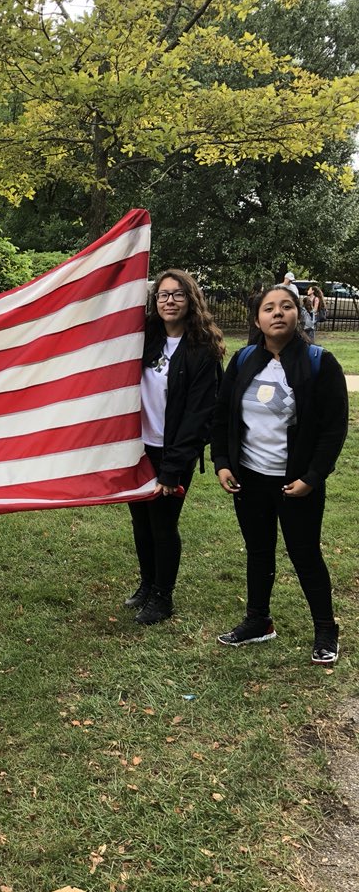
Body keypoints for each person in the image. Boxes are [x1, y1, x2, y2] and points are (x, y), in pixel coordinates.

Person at [211, 284, 348, 664]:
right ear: (257, 319)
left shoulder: (321, 363)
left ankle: (325, 629)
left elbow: (333, 428)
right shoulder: (243, 361)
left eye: (286, 306)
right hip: (250, 478)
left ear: (298, 315)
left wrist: (313, 476)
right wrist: (222, 461)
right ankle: (258, 621)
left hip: (296, 483)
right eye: (269, 308)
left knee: (305, 555)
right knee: (258, 552)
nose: (277, 313)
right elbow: (222, 416)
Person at [125, 269, 225, 624]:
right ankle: (148, 584)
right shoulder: (145, 340)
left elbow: (199, 416)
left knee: (164, 525)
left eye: (178, 294)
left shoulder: (202, 351)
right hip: (138, 449)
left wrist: (173, 467)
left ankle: (163, 598)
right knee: (140, 521)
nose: (169, 301)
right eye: (163, 295)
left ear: (191, 300)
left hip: (173, 453)